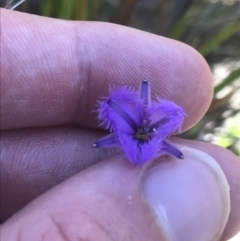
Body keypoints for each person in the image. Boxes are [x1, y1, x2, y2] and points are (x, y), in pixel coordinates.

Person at [1, 8, 239, 241]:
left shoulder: (157, 123)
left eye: (146, 132)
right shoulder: (138, 125)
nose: (144, 131)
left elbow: (159, 127)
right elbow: (132, 130)